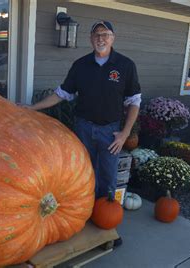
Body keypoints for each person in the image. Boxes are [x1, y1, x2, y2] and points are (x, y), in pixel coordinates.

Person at [27, 20, 141, 201]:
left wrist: (125, 134)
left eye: (105, 34)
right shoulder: (80, 65)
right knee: (82, 173)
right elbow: (62, 93)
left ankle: (105, 215)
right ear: (90, 39)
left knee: (107, 176)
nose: (100, 38)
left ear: (113, 38)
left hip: (111, 132)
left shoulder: (125, 65)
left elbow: (134, 101)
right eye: (96, 35)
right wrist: (32, 108)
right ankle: (84, 212)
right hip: (83, 129)